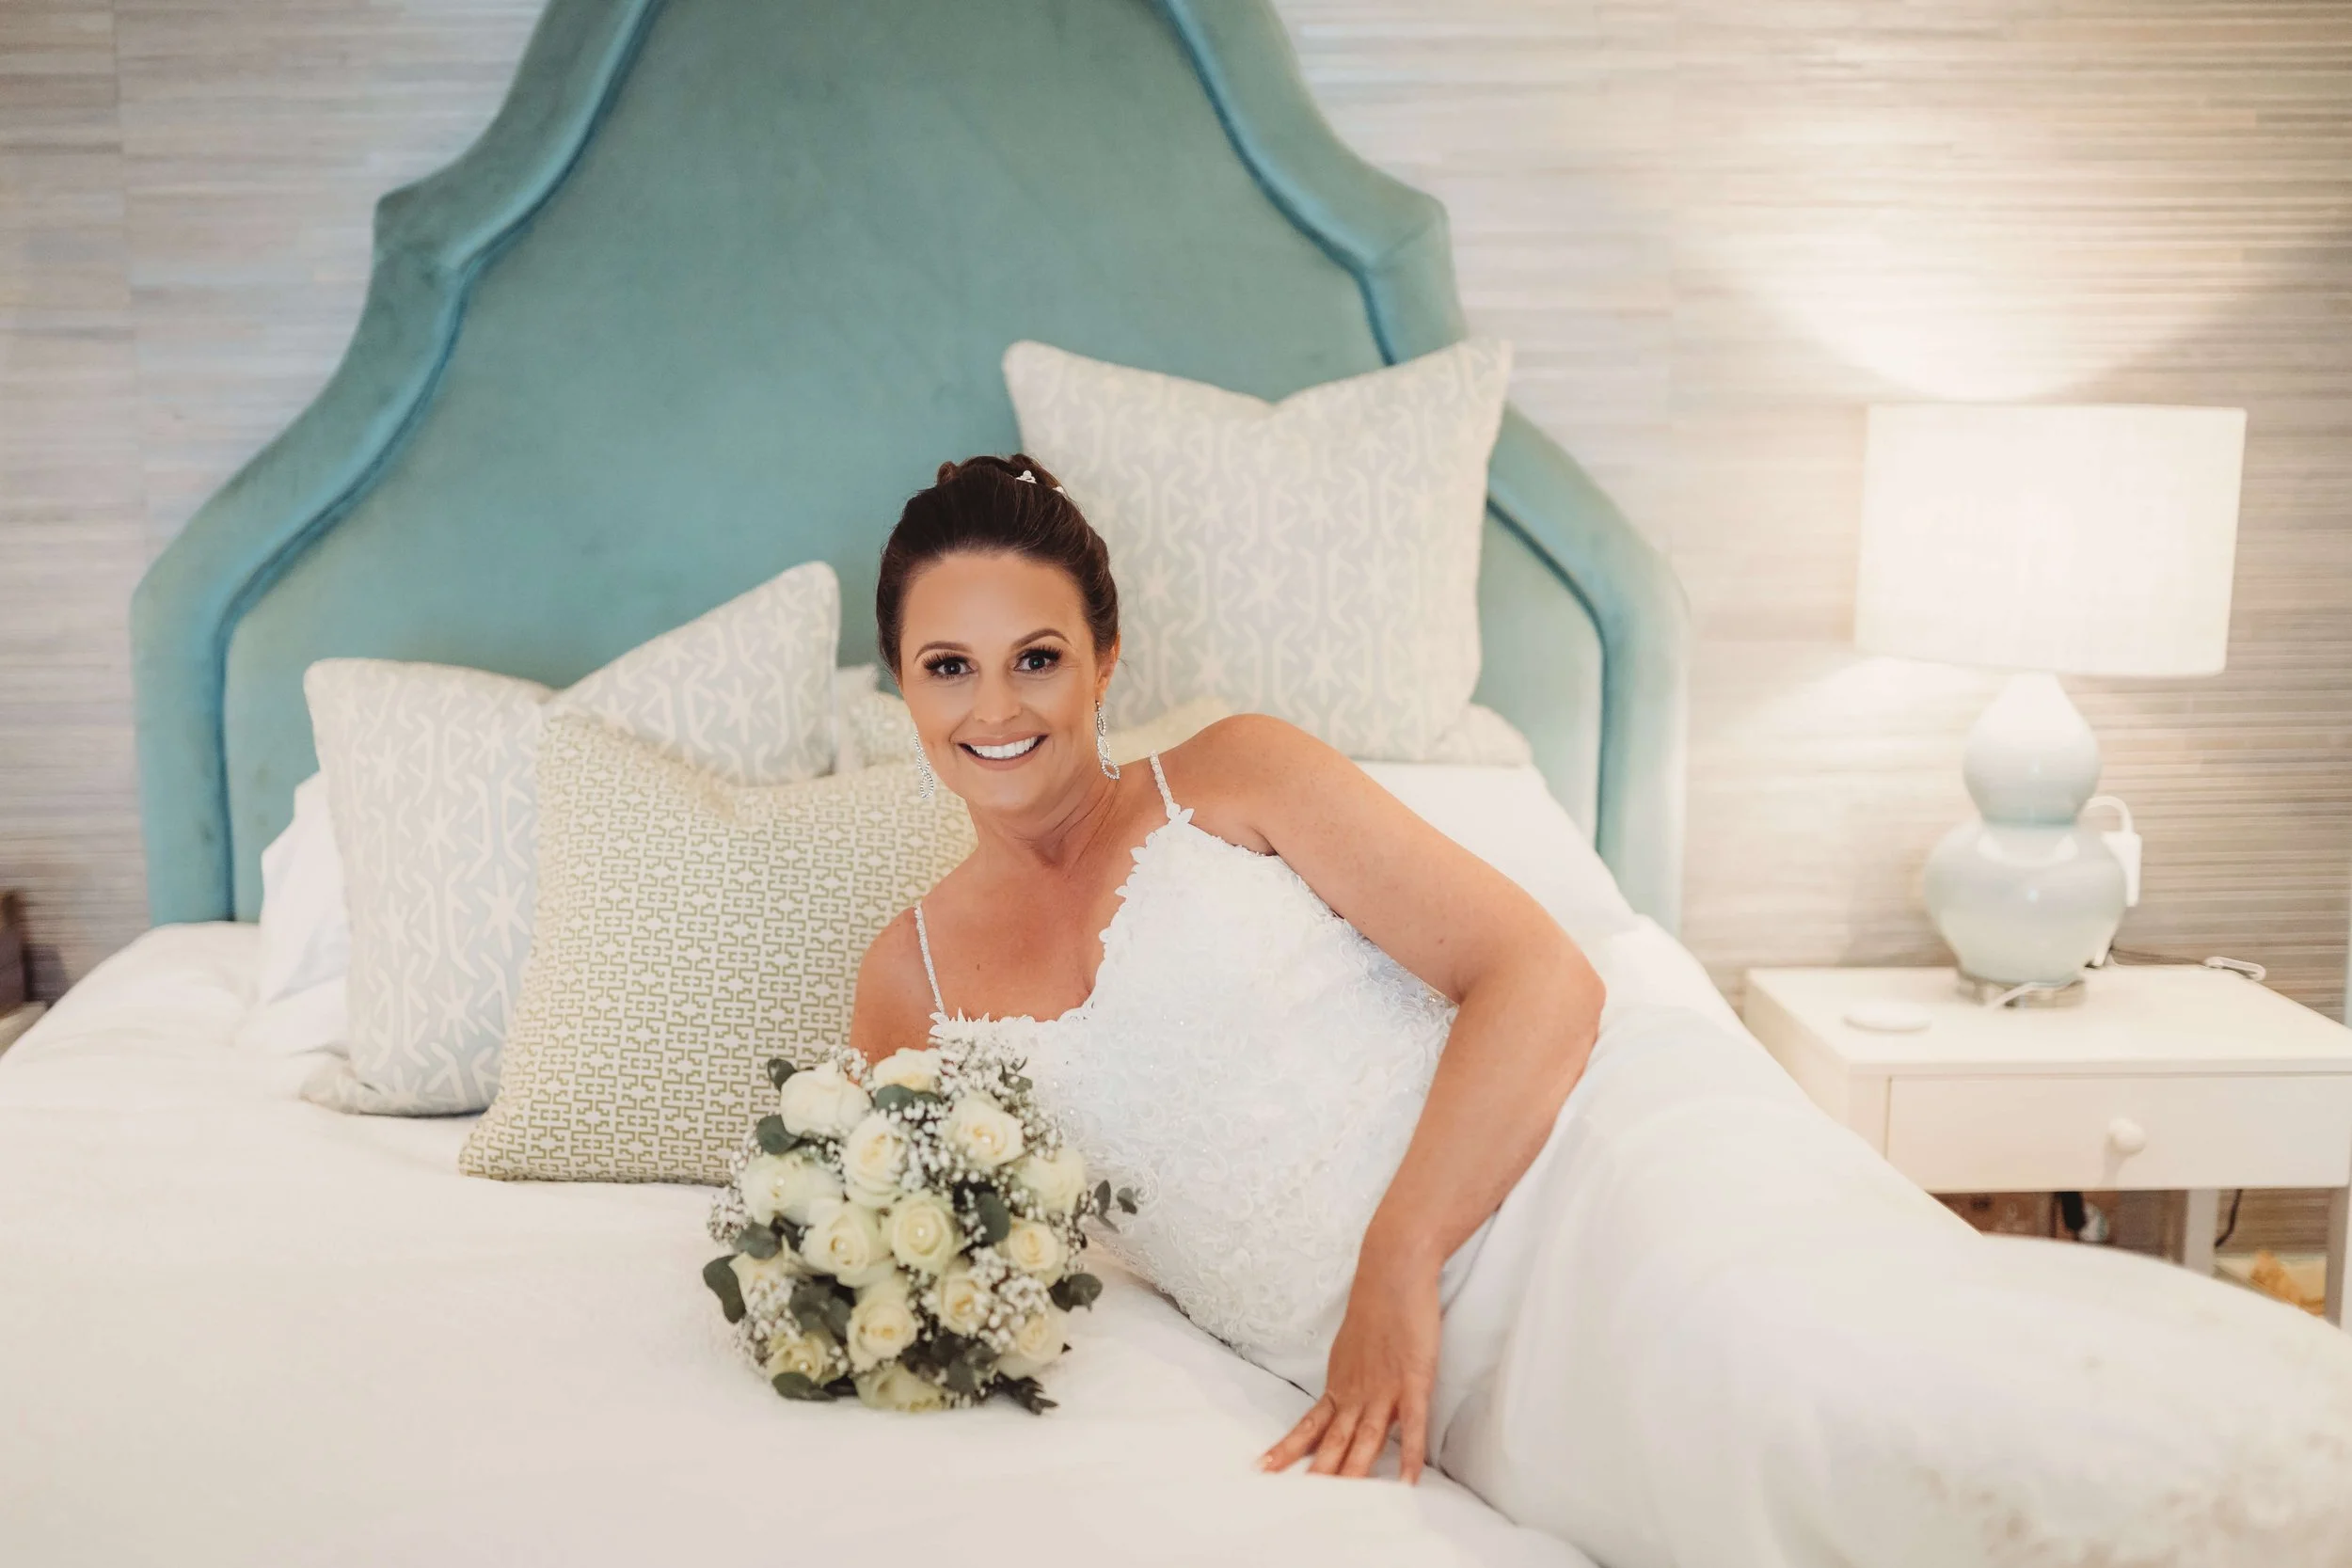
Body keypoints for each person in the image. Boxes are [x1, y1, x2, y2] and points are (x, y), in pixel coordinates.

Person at [848, 453, 1606, 1484]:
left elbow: (1540, 973)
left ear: (1104, 658)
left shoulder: (1240, 773)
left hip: (1553, 1186)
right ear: (902, 682)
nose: (995, 709)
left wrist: (1399, 1259)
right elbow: (930, 1254)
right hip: (1330, 1378)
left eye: (1036, 658)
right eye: (948, 666)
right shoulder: (907, 983)